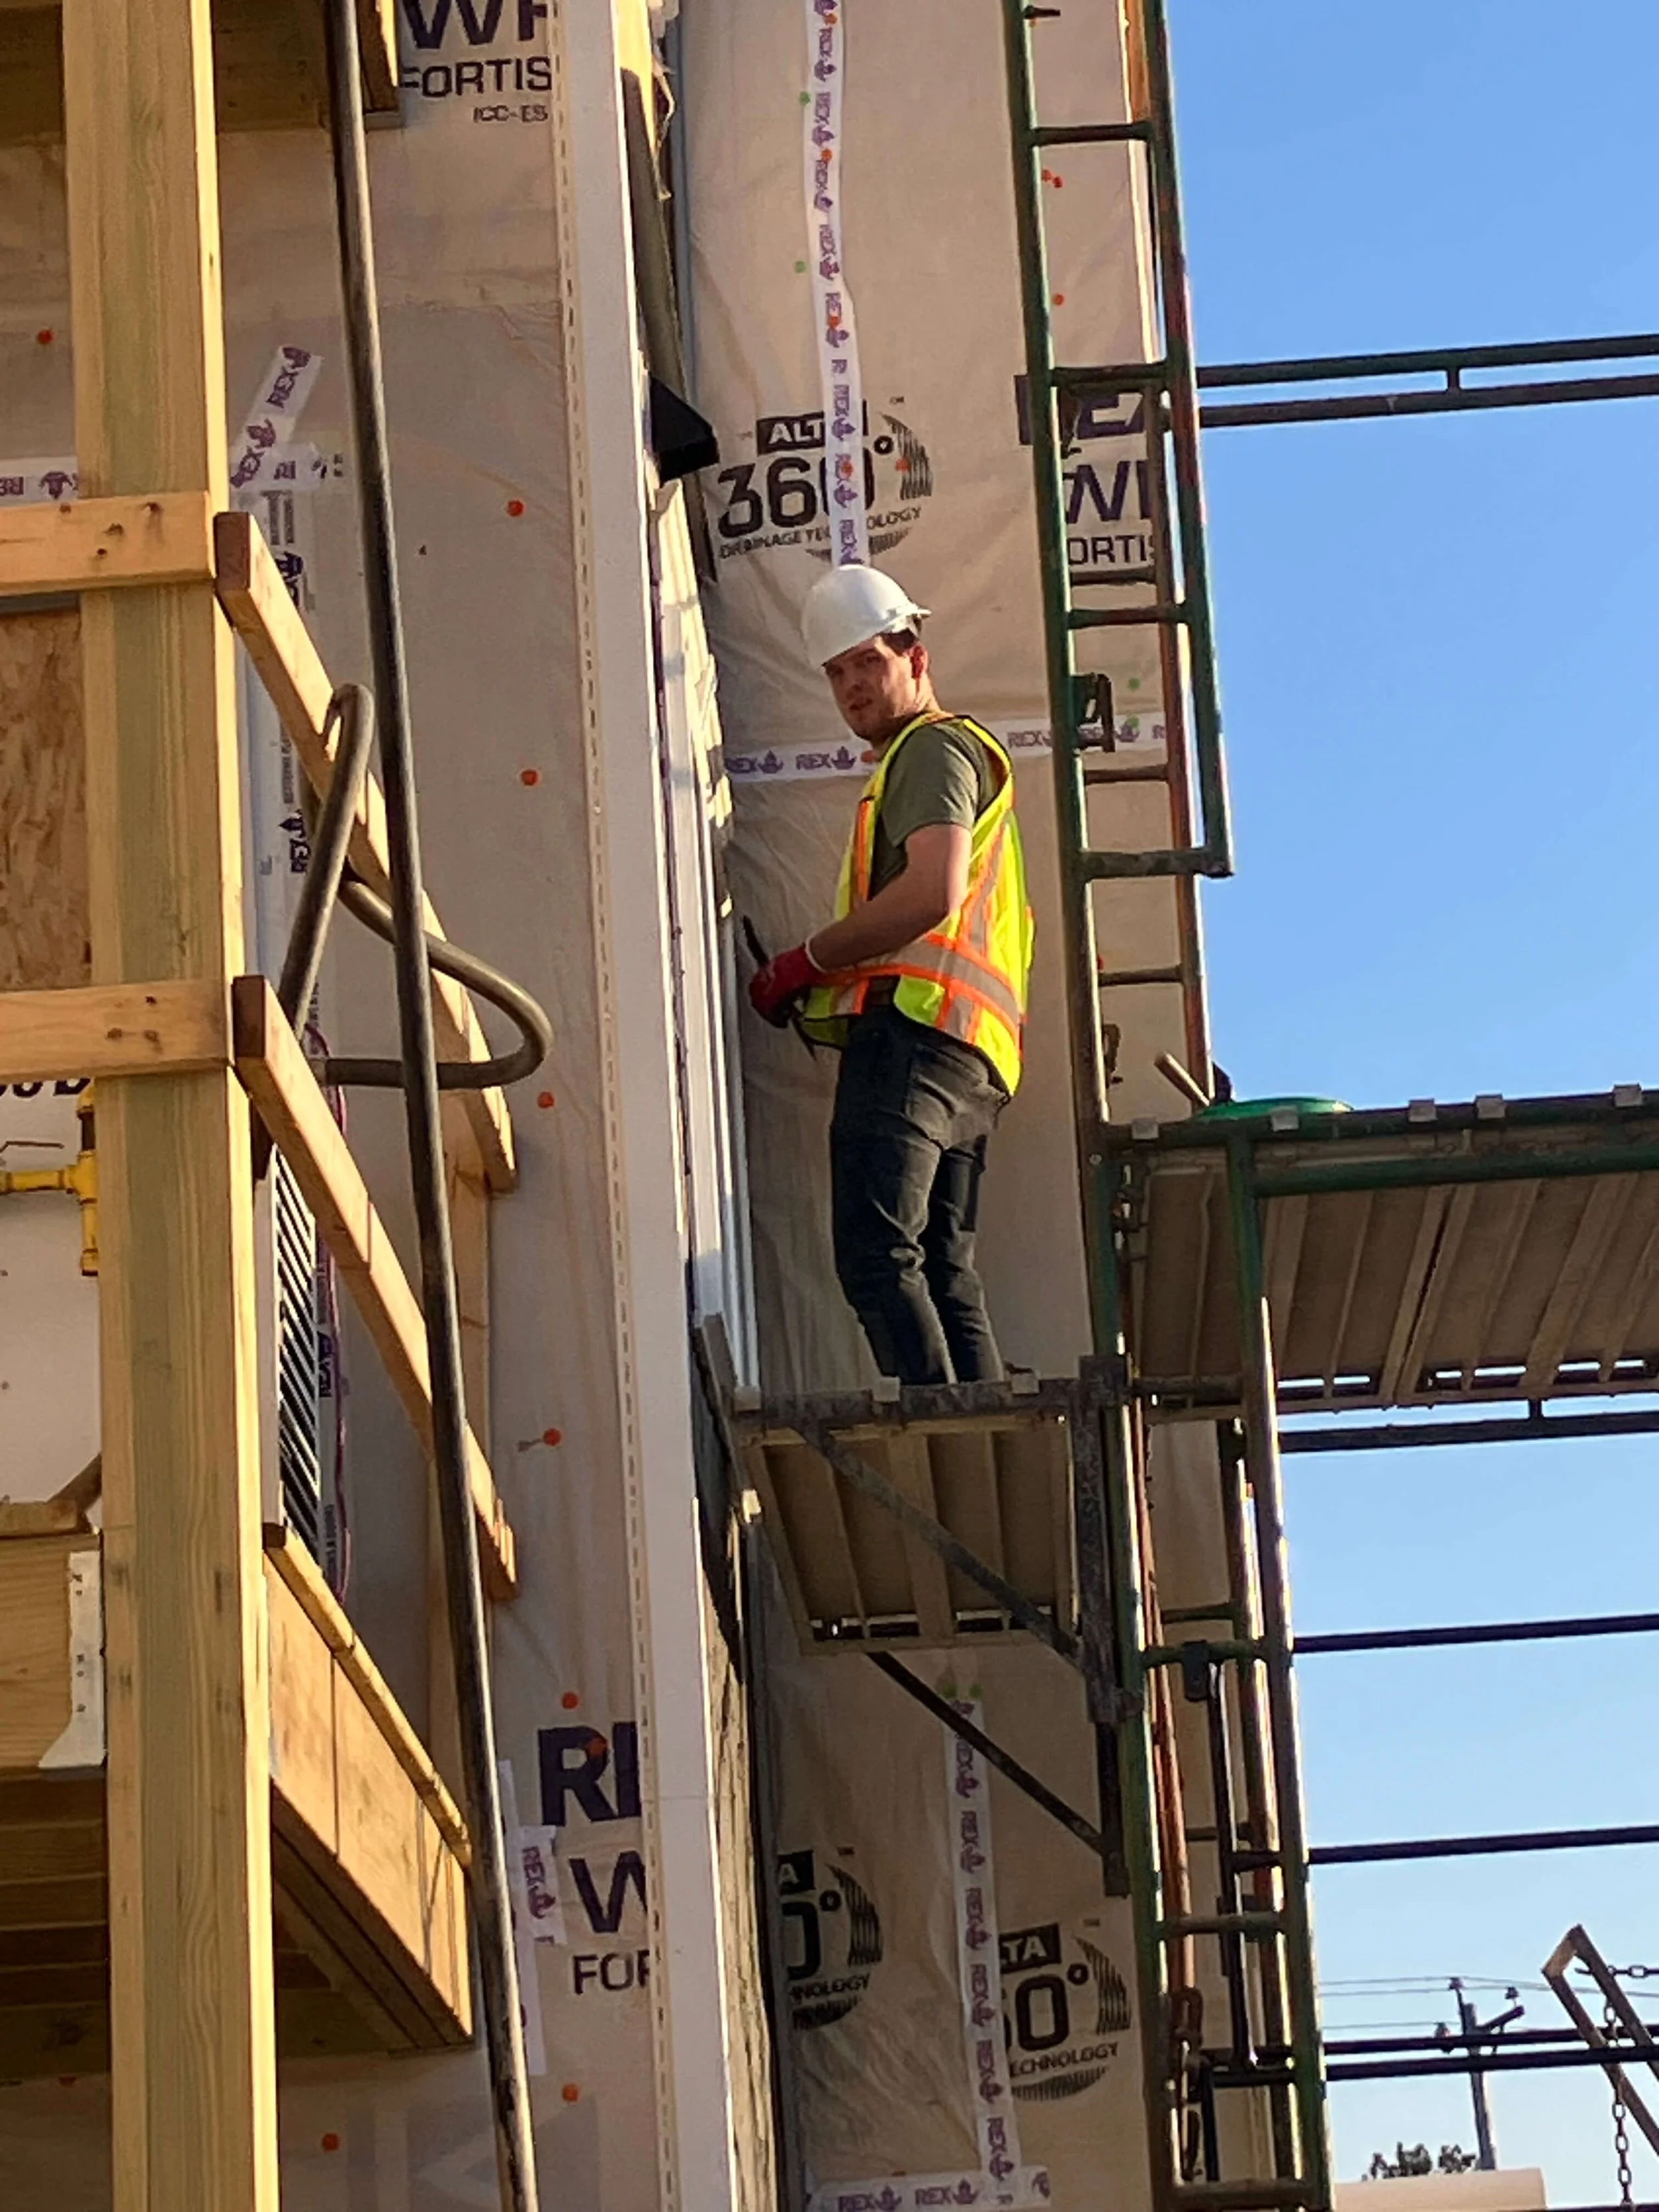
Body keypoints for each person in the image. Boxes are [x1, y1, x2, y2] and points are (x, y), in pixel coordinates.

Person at [748, 562, 1033, 1385]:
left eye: (867, 663)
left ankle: (945, 1444)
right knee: (943, 1271)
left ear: (916, 656)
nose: (851, 688)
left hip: (918, 1037)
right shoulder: (950, 756)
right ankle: (985, 1450)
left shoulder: (930, 749)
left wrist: (805, 962)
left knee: (877, 1258)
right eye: (836, 674)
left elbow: (929, 892)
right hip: (975, 1059)